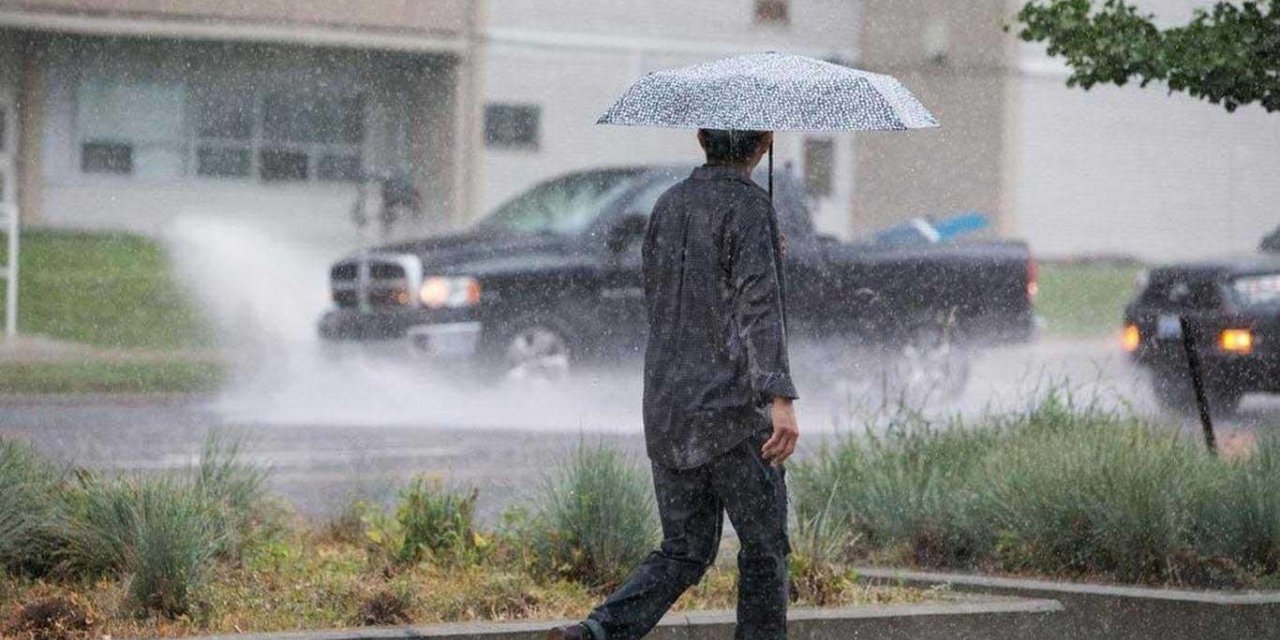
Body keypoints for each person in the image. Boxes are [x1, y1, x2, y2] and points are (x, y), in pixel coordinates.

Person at [548, 129, 800, 640]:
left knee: (684, 549)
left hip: (669, 404)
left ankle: (596, 632)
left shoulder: (667, 204)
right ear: (767, 142)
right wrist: (779, 396)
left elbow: (664, 294)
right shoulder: (751, 208)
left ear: (702, 137)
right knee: (764, 550)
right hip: (733, 411)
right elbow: (758, 308)